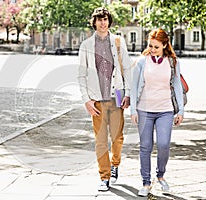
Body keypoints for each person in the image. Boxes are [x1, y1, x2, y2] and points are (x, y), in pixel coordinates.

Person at [78, 7, 132, 191]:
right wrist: (86, 99)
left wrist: (128, 93)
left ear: (109, 21)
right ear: (94, 22)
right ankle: (104, 176)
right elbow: (81, 75)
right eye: (99, 19)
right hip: (97, 99)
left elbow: (128, 68)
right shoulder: (86, 45)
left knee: (117, 137)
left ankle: (115, 164)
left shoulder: (118, 41)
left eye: (105, 19)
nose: (103, 23)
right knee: (100, 139)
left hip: (116, 95)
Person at [130, 28, 184, 196]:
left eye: (156, 47)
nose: (152, 50)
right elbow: (133, 87)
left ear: (165, 45)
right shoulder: (141, 62)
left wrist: (180, 110)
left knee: (163, 145)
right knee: (145, 147)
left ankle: (160, 175)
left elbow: (177, 86)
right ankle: (146, 182)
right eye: (150, 46)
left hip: (165, 110)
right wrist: (133, 110)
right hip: (144, 110)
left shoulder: (173, 62)